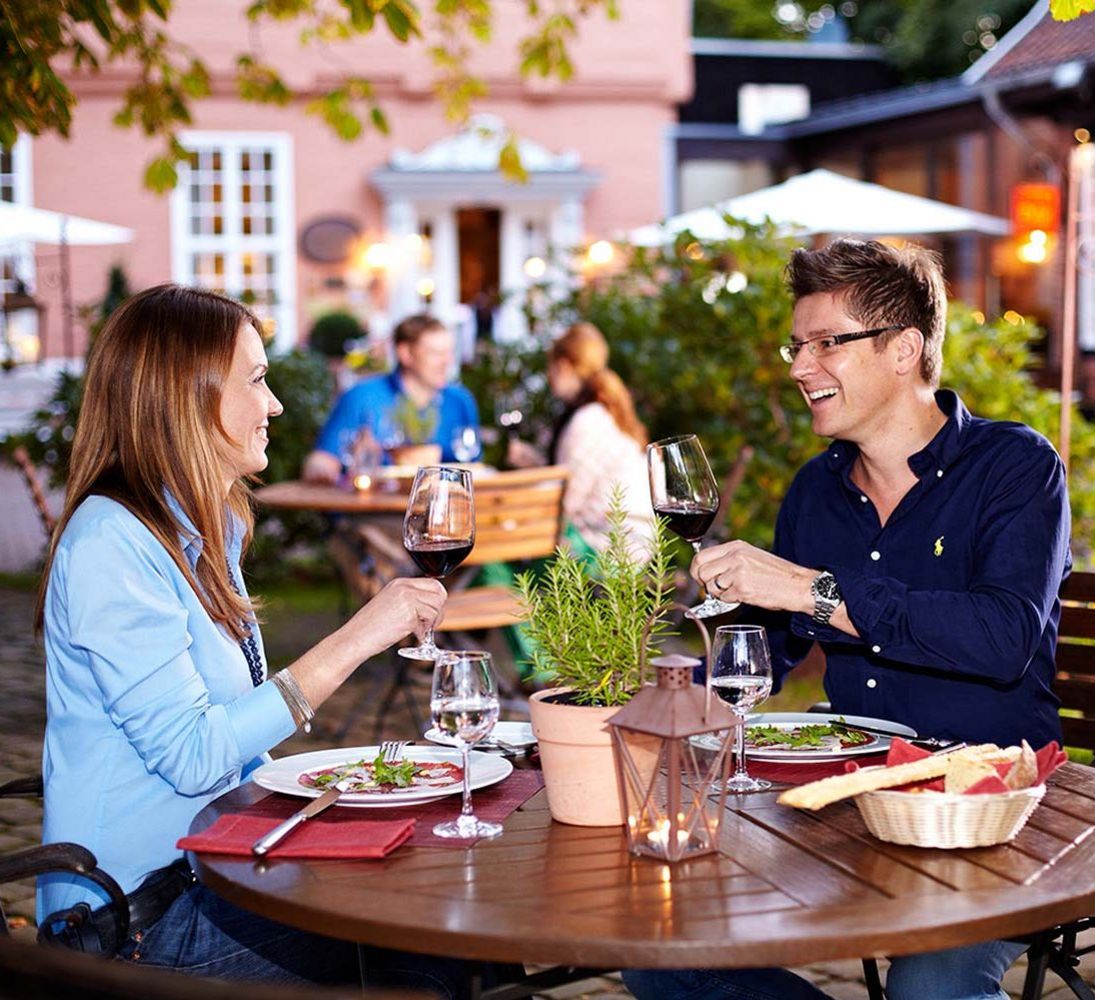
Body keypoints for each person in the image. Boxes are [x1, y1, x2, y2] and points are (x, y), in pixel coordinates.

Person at [623, 240, 1071, 1000]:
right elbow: (764, 649)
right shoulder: (816, 491)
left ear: (904, 350)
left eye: (828, 343)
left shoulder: (1014, 467)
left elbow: (1001, 641)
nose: (801, 367)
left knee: (929, 990)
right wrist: (659, 699)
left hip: (984, 808)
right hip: (848, 796)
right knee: (665, 952)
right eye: (798, 345)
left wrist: (816, 592)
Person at [36, 284, 480, 995]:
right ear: (189, 393)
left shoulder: (208, 526)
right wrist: (357, 638)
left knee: (443, 888)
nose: (274, 405)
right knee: (436, 933)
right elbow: (196, 756)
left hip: (227, 863)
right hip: (138, 918)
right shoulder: (111, 543)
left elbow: (235, 744)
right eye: (257, 380)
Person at [508, 322, 655, 558]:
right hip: (633, 541)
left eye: (551, 368)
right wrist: (535, 463)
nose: (549, 376)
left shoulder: (587, 420)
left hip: (607, 550)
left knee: (499, 558)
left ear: (564, 366)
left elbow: (565, 502)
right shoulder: (602, 409)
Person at [303, 313, 479, 482]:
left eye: (449, 352)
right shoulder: (362, 397)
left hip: (441, 508)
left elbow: (473, 467)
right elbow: (321, 460)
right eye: (435, 353)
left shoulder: (460, 401)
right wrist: (325, 469)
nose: (447, 361)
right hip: (374, 509)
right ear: (405, 354)